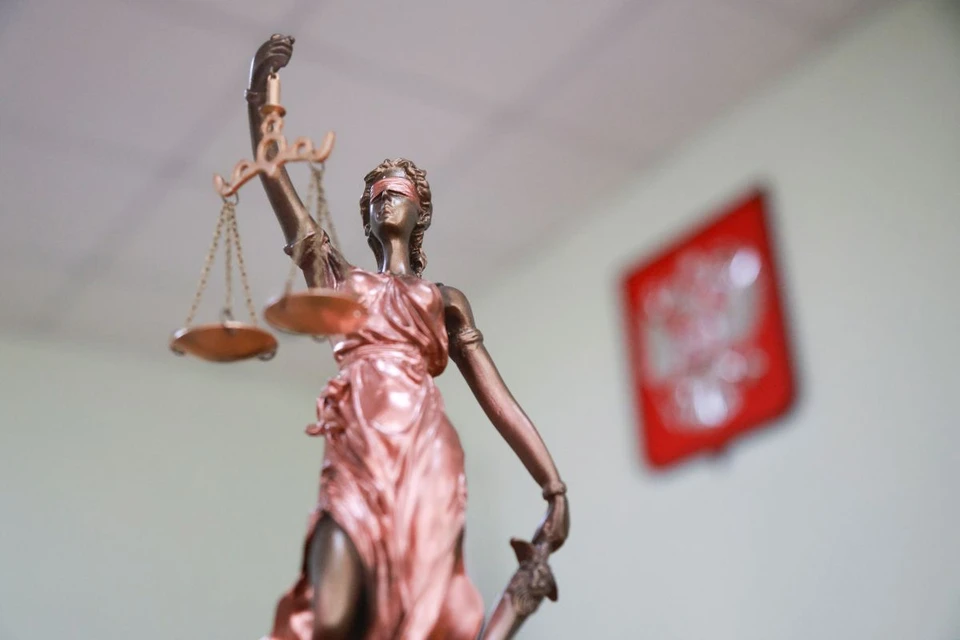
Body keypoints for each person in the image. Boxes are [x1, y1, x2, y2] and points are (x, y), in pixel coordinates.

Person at [246, 35, 569, 640]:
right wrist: (257, 100)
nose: (385, 201)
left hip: (426, 452)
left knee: (419, 617)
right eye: (376, 197)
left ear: (422, 212)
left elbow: (498, 400)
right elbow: (281, 190)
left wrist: (553, 487)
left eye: (398, 193)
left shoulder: (445, 300)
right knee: (331, 616)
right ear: (366, 217)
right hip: (357, 451)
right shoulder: (343, 282)